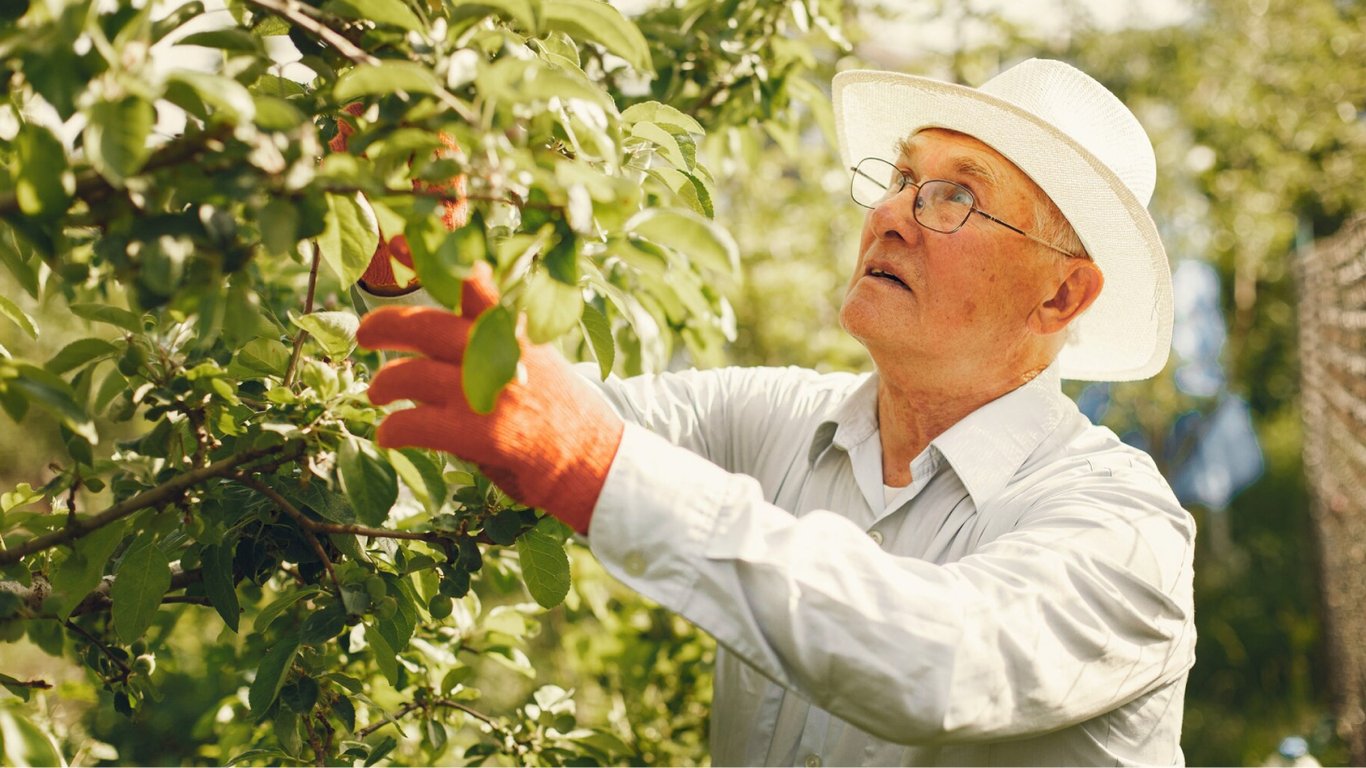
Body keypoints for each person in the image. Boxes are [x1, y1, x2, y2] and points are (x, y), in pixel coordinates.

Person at [354, 58, 1196, 766]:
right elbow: (519, 414)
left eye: (955, 198)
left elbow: (941, 661)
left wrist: (596, 464)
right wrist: (417, 244)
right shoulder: (776, 417)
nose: (892, 214)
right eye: (904, 179)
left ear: (1061, 293)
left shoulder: (1124, 532)